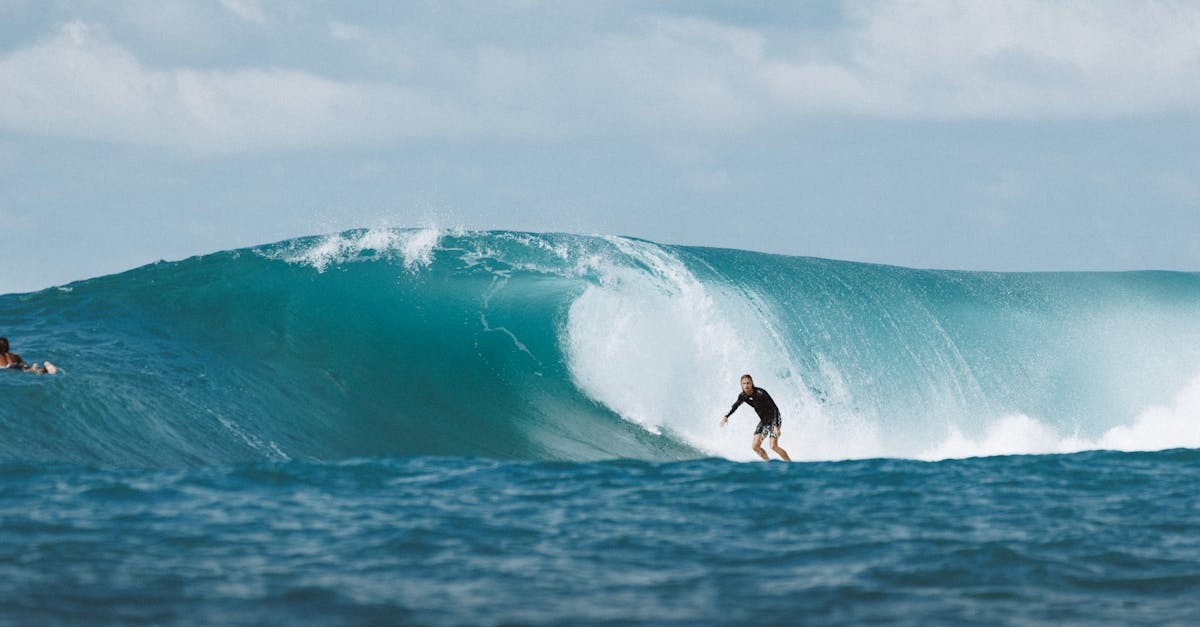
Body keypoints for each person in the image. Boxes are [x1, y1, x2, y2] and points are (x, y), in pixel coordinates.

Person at [719, 374, 791, 461]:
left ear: (752, 383)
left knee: (773, 446)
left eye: (748, 383)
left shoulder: (761, 393)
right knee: (755, 446)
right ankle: (769, 464)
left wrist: (776, 426)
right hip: (764, 421)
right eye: (744, 383)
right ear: (741, 385)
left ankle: (789, 463)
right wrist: (726, 416)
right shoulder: (743, 396)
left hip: (774, 419)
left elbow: (774, 408)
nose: (746, 386)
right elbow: (735, 406)